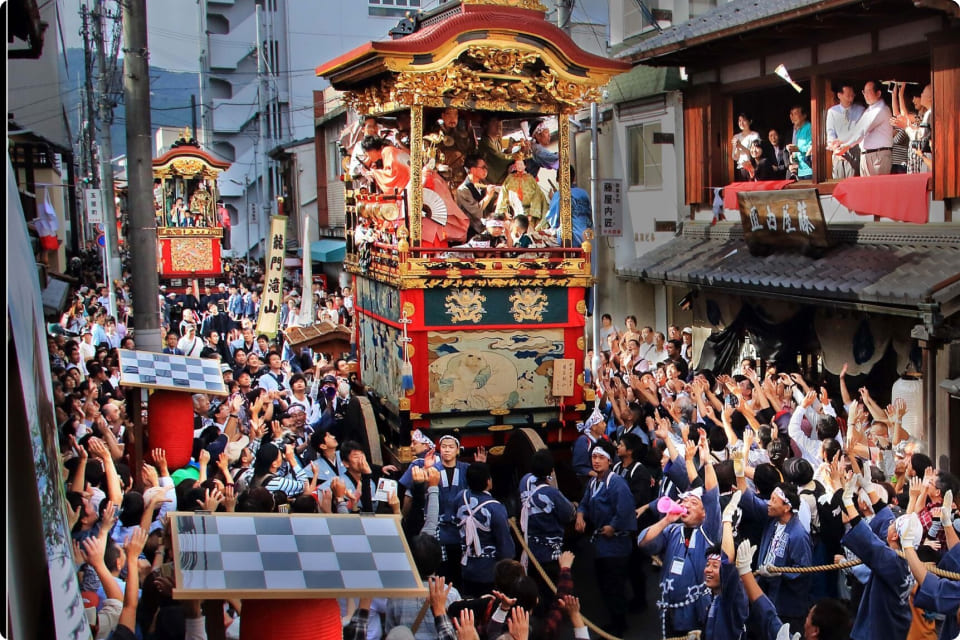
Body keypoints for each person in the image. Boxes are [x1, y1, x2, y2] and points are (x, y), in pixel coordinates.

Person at [575, 439, 637, 636]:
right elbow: (584, 503)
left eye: (601, 457)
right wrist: (580, 516)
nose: (596, 461)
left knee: (613, 585)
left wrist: (614, 526)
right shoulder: (593, 483)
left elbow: (626, 509)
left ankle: (619, 625)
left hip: (616, 543)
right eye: (594, 456)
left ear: (610, 461)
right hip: (601, 541)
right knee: (604, 583)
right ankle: (614, 617)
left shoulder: (616, 483)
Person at [456, 462, 514, 597]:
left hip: (466, 565)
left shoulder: (460, 497)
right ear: (489, 481)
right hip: (489, 570)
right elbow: (505, 545)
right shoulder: (495, 508)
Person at [835, 80, 894, 177]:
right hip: (866, 156)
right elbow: (856, 129)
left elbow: (861, 131)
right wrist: (840, 141)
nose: (865, 95)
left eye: (869, 92)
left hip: (878, 156)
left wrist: (845, 145)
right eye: (864, 92)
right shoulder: (869, 110)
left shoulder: (881, 109)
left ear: (878, 93)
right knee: (867, 190)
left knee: (877, 189)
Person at [543, 166, 592, 246]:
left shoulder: (558, 195)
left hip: (569, 240)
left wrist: (553, 199)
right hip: (586, 237)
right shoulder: (584, 193)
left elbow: (554, 221)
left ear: (558, 180)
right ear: (574, 178)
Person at [826, 81, 866, 179]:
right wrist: (835, 148)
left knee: (853, 181)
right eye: (848, 95)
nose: (851, 98)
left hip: (853, 149)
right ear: (839, 95)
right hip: (837, 150)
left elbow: (860, 132)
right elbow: (830, 132)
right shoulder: (832, 111)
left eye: (852, 95)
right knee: (837, 182)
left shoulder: (860, 110)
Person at [456, 155, 499, 239]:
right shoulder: (463, 190)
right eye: (483, 167)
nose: (485, 170)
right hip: (471, 230)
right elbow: (476, 211)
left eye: (486, 168)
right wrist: (488, 196)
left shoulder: (483, 184)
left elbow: (491, 207)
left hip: (486, 228)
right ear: (473, 169)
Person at [478, 116, 521, 185]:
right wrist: (520, 154)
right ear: (486, 125)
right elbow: (500, 158)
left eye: (499, 122)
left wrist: (509, 150)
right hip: (490, 178)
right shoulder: (486, 142)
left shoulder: (495, 141)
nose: (498, 125)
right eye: (494, 122)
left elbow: (500, 155)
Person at [786, 105, 813, 180]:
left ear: (804, 116)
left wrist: (797, 148)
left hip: (810, 169)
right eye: (791, 114)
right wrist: (793, 156)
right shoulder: (798, 131)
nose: (792, 117)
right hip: (801, 170)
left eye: (795, 114)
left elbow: (812, 146)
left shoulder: (810, 127)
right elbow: (799, 151)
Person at [731, 113, 760, 181]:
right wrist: (737, 147)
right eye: (739, 120)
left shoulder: (754, 135)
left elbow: (754, 153)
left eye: (744, 120)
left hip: (752, 167)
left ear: (750, 121)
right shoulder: (736, 137)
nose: (741, 123)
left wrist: (741, 146)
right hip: (741, 168)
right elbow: (735, 157)